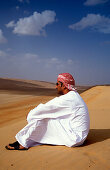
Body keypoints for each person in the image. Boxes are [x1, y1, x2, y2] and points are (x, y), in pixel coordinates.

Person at [5, 73, 90, 150]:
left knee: (42, 118)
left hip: (75, 138)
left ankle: (23, 142)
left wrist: (30, 115)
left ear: (63, 85)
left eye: (57, 84)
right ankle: (28, 140)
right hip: (80, 135)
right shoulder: (74, 96)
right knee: (47, 117)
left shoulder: (68, 99)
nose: (55, 87)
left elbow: (45, 108)